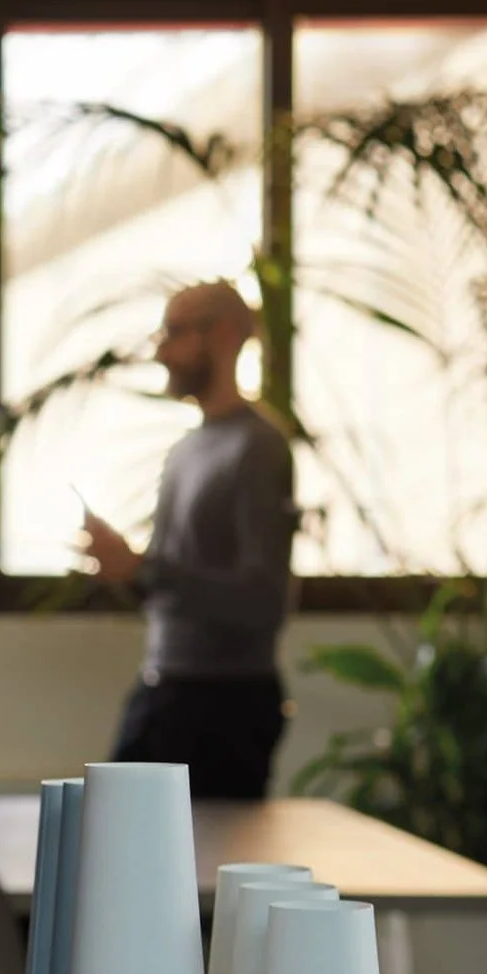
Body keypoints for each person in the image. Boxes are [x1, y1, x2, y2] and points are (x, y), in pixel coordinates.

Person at [79, 281, 298, 800]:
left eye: (174, 332)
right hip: (163, 692)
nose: (160, 350)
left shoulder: (259, 448)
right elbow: (167, 582)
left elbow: (263, 600)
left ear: (222, 335)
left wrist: (145, 570)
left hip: (226, 708)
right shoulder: (185, 450)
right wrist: (126, 570)